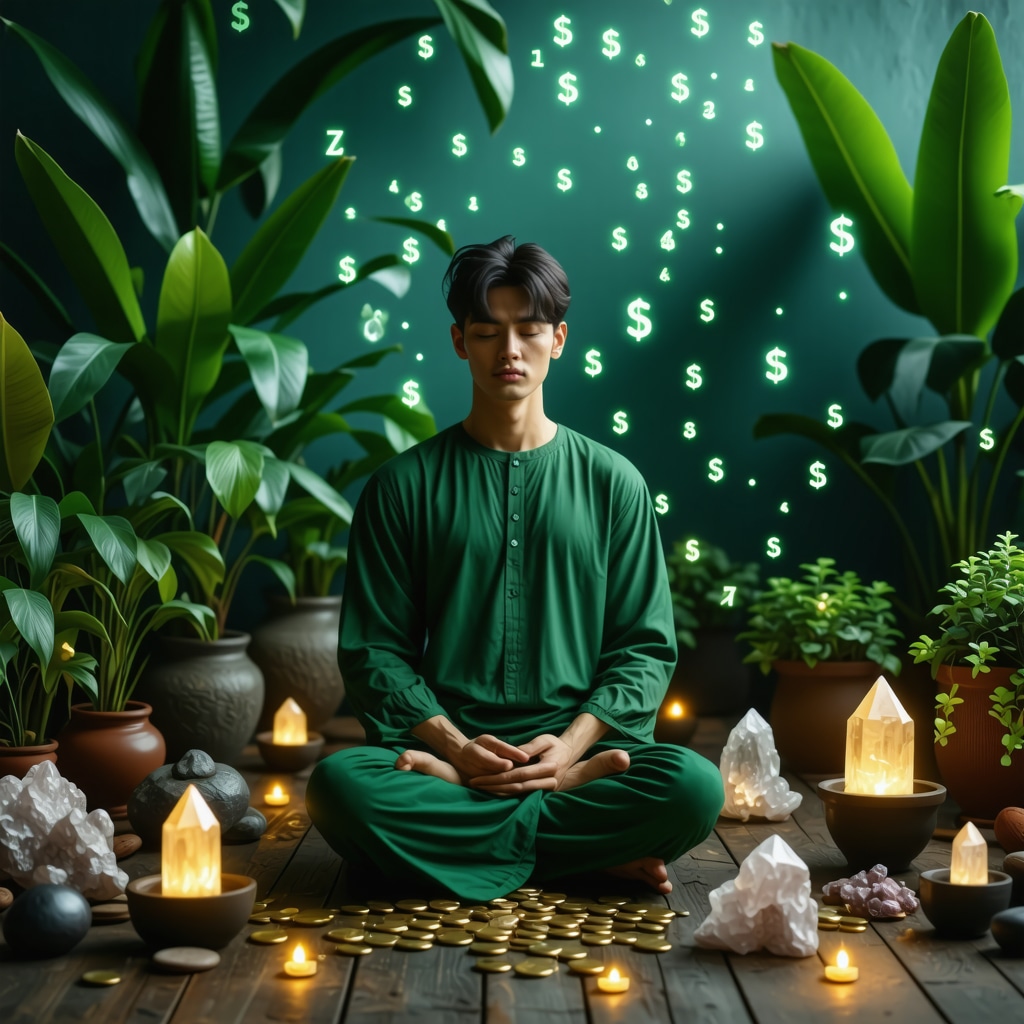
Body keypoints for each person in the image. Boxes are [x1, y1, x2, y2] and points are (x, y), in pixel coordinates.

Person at [306, 236, 724, 901]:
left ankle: (473, 832)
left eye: (529, 331)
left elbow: (643, 650)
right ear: (459, 341)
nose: (509, 351)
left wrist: (570, 752)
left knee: (694, 788)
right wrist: (457, 753)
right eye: (487, 332)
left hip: (584, 754)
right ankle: (582, 854)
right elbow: (374, 654)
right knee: (338, 788)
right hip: (445, 749)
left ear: (558, 339)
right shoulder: (400, 487)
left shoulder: (615, 483)